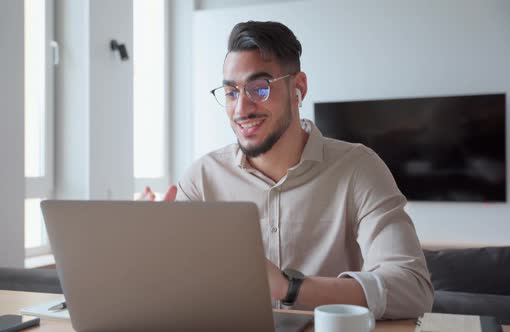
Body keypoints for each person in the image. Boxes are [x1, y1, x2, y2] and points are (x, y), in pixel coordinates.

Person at [143, 20, 433, 319]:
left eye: (259, 88)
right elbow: (172, 293)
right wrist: (150, 249)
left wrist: (289, 287)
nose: (241, 109)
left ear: (298, 88)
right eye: (231, 92)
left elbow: (412, 288)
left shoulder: (359, 168)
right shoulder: (202, 179)